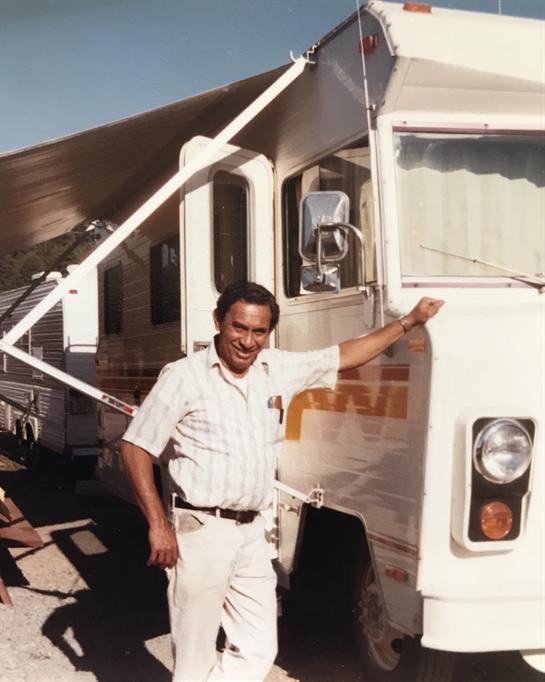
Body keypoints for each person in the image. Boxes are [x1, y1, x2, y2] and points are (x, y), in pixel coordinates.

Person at [121, 280, 444, 682]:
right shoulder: (184, 377)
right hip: (202, 530)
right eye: (239, 327)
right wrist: (157, 525)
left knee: (258, 648)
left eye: (259, 331)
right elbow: (136, 448)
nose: (247, 341)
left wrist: (409, 321)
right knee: (194, 656)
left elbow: (344, 356)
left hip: (252, 533)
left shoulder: (275, 370)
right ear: (218, 321)